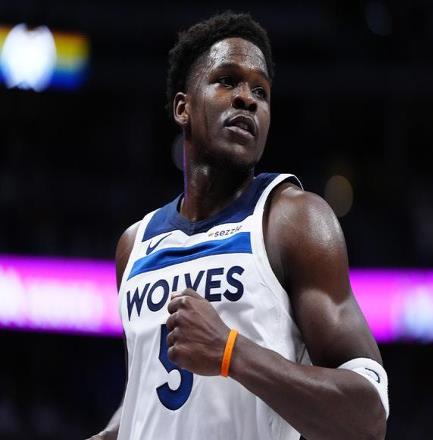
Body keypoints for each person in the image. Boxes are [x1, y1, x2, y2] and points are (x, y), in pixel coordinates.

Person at [89, 11, 388, 440]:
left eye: (260, 91)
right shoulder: (134, 245)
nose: (247, 98)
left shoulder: (293, 221)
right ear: (182, 108)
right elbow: (152, 396)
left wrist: (229, 351)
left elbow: (366, 417)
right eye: (227, 81)